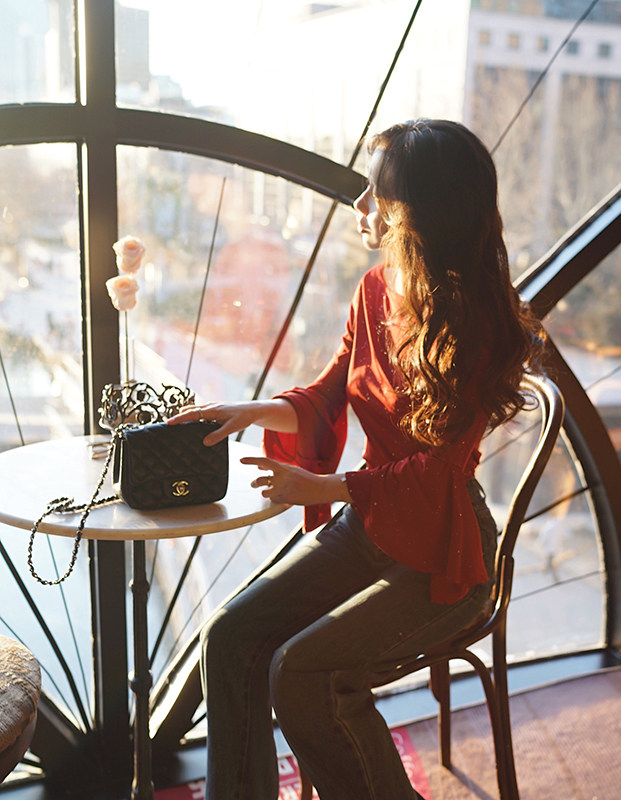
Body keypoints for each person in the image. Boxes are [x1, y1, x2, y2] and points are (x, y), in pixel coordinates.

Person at [168, 118, 543, 800]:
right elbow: (329, 393)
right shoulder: (374, 291)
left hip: (446, 557)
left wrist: (324, 484)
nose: (360, 206)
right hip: (375, 526)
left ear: (415, 213)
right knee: (228, 637)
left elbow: (435, 474)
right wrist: (251, 412)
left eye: (375, 194)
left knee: (304, 674)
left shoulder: (473, 325)